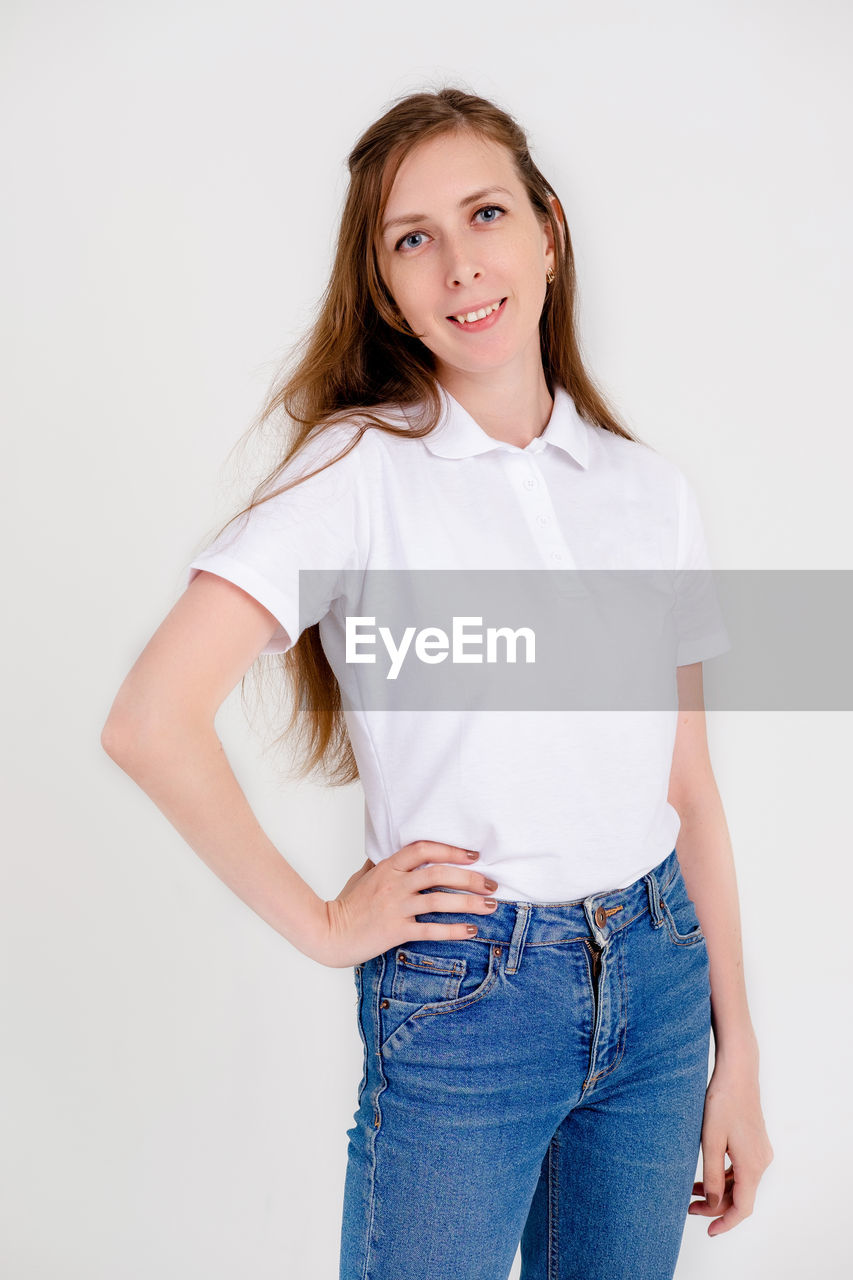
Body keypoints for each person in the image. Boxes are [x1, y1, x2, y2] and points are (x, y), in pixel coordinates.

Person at [101, 86, 773, 1279]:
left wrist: (739, 1057)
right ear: (385, 284)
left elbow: (693, 793)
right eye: (413, 238)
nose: (461, 264)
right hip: (469, 997)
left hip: (661, 987)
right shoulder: (359, 469)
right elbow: (151, 719)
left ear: (548, 231)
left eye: (485, 214)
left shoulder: (644, 489)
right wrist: (321, 923)